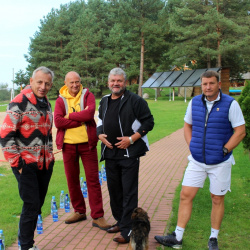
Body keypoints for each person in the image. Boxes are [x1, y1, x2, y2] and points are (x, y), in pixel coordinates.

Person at [155, 70, 246, 250]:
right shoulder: (195, 102)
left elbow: (240, 131)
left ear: (218, 85)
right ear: (201, 85)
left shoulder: (230, 104)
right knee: (185, 195)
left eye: (211, 83)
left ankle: (213, 238)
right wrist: (192, 145)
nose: (207, 87)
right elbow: (187, 125)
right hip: (197, 160)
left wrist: (225, 149)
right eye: (204, 84)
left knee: (217, 198)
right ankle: (177, 237)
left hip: (220, 162)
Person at [97, 67, 154, 244]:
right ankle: (121, 222)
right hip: (110, 153)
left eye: (119, 81)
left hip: (128, 153)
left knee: (128, 192)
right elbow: (99, 119)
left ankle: (128, 229)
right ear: (108, 82)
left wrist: (131, 139)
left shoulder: (135, 100)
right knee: (114, 191)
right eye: (113, 81)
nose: (116, 84)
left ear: (125, 82)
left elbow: (148, 122)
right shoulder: (105, 100)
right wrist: (99, 134)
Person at [0, 66, 55, 250]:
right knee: (31, 204)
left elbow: (48, 134)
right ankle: (25, 246)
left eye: (47, 83)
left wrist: (51, 157)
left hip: (45, 164)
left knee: (37, 205)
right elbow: (5, 135)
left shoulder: (46, 102)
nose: (43, 86)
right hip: (26, 164)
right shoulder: (19, 102)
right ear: (31, 81)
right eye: (39, 82)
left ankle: (28, 243)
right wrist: (18, 164)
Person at [54, 71, 110, 230]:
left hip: (88, 145)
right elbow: (58, 121)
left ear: (80, 82)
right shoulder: (60, 99)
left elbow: (89, 113)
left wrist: (69, 116)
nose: (74, 85)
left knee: (93, 180)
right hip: (68, 145)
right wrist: (79, 120)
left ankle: (98, 216)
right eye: (71, 82)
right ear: (66, 83)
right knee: (72, 180)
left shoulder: (88, 95)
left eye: (77, 82)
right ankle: (79, 211)